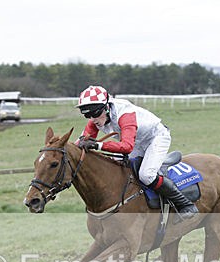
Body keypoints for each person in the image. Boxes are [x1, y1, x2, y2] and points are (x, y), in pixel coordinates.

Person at [75, 85, 199, 219]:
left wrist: (98, 145)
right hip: (137, 142)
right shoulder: (96, 118)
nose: (92, 119)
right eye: (87, 115)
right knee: (115, 167)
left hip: (155, 138)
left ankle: (185, 204)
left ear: (106, 107)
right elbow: (79, 144)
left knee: (146, 175)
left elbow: (127, 147)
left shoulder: (124, 114)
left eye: (95, 113)